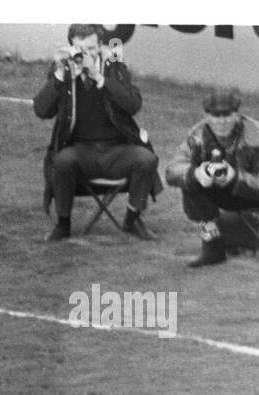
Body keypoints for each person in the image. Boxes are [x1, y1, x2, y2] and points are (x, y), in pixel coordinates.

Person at [33, 23, 161, 242]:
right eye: (80, 50)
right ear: (71, 46)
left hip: (117, 150)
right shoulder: (64, 69)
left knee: (147, 159)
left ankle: (132, 219)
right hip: (80, 151)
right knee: (62, 161)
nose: (86, 55)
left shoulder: (114, 66)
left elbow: (133, 105)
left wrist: (100, 78)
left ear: (100, 46)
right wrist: (60, 75)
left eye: (92, 49)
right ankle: (63, 223)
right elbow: (41, 110)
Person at [165, 88, 259, 270]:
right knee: (189, 182)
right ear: (206, 116)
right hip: (236, 186)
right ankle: (212, 248)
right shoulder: (197, 135)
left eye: (228, 115)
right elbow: (172, 170)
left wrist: (234, 177)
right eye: (216, 116)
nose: (222, 121)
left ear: (237, 115)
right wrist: (198, 173)